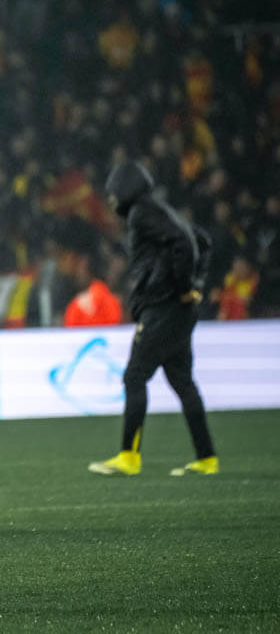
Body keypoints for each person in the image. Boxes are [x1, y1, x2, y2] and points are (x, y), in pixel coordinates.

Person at [89, 161, 217, 477]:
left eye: (113, 192)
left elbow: (184, 243)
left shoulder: (142, 213)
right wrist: (194, 285)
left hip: (163, 308)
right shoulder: (161, 210)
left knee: (134, 377)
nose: (111, 200)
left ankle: (129, 457)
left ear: (125, 189)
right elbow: (202, 241)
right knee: (182, 381)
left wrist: (185, 288)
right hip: (175, 309)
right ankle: (206, 458)